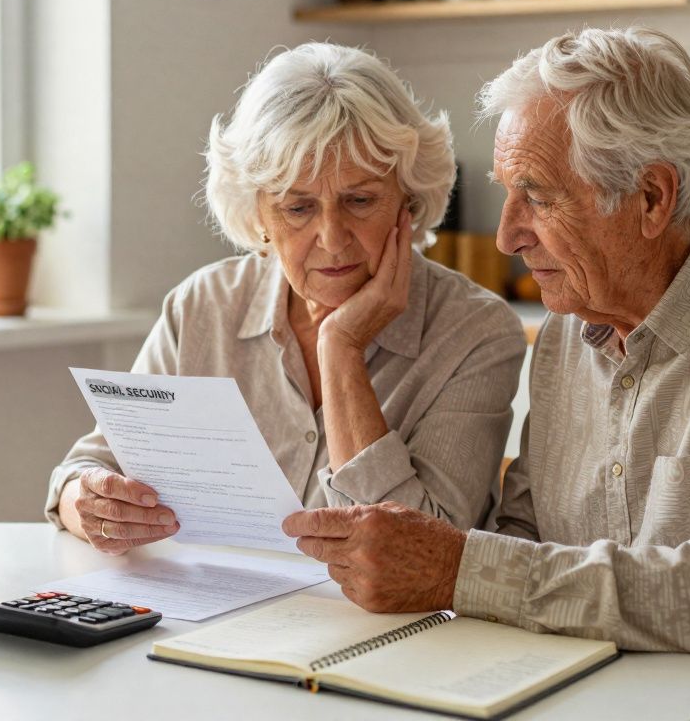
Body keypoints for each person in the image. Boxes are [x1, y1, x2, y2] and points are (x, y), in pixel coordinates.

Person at [282, 27, 690, 719]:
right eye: (506, 193)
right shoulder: (566, 331)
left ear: (651, 198)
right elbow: (526, 540)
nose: (507, 235)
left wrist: (455, 568)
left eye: (539, 196)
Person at [44, 43, 526, 556]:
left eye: (360, 200)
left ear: (408, 200)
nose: (333, 237)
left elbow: (424, 552)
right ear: (258, 218)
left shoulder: (476, 331)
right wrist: (92, 504)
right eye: (298, 207)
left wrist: (341, 348)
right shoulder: (203, 305)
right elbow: (84, 471)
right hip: (210, 616)